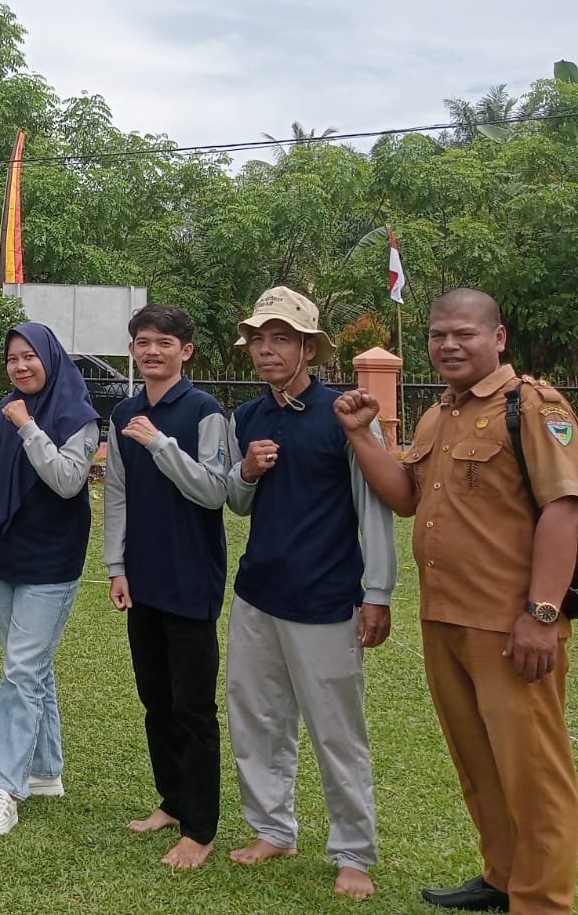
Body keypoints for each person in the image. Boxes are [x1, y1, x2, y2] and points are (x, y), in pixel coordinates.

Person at [334, 288, 578, 914]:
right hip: (444, 618)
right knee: (478, 760)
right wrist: (363, 436)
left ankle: (544, 901)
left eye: (463, 334)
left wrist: (542, 613)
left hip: (510, 625)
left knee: (534, 773)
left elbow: (564, 508)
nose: (448, 345)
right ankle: (503, 876)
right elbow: (407, 496)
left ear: (496, 338)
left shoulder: (533, 406)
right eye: (438, 334)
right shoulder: (438, 414)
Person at [222, 286, 395, 900]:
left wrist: (377, 591)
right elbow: (237, 503)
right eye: (259, 340)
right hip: (256, 592)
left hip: (326, 596)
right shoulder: (247, 417)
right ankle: (273, 828)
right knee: (256, 716)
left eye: (281, 339)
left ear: (307, 347)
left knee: (335, 730)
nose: (267, 351)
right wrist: (245, 471)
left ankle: (353, 852)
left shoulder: (343, 412)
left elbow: (373, 506)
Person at [102, 304, 229, 869]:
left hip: (191, 578)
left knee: (193, 705)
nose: (152, 352)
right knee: (155, 698)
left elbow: (213, 491)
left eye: (164, 343)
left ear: (186, 351)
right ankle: (172, 802)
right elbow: (119, 494)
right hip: (143, 577)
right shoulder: (125, 411)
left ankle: (200, 828)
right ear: (132, 350)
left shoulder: (205, 411)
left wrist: (159, 443)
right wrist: (115, 567)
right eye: (143, 342)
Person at [0, 322, 100, 837]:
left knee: (21, 669)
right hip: (5, 553)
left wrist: (27, 426)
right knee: (31, 667)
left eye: (30, 357)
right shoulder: (6, 409)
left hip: (52, 559)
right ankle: (45, 771)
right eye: (13, 358)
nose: (21, 366)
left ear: (50, 357)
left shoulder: (77, 414)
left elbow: (68, 482)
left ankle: (4, 788)